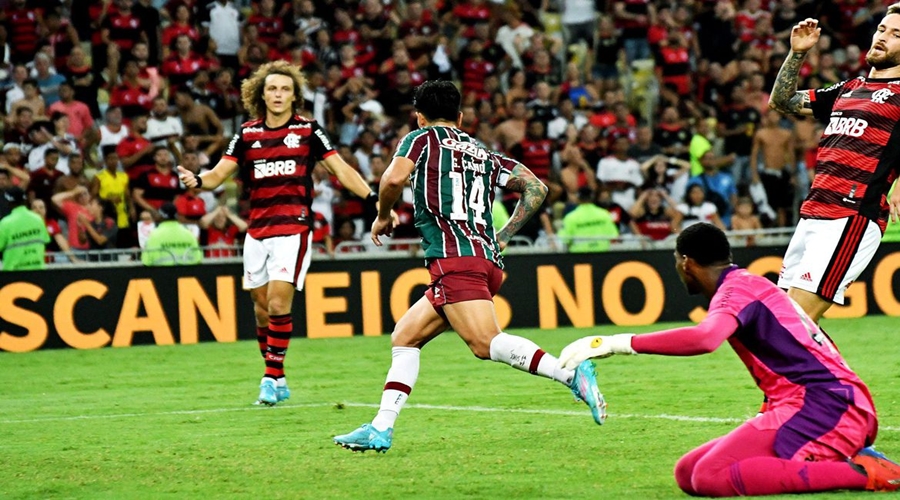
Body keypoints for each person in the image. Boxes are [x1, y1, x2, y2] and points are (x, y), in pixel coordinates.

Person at [333, 80, 605, 454]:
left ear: (419, 117)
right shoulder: (483, 152)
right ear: (460, 117)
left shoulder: (421, 139)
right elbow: (536, 188)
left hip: (455, 261)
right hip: (483, 258)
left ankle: (571, 373)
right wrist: (505, 233)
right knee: (405, 337)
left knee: (484, 343)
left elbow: (394, 177)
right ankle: (381, 427)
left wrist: (382, 215)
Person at [557, 223, 900, 496]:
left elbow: (706, 339)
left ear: (685, 262)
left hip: (827, 406)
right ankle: (849, 457)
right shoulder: (743, 284)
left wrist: (616, 343)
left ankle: (866, 473)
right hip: (820, 401)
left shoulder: (737, 291)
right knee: (687, 473)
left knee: (709, 476)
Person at [177, 60, 377, 406]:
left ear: (295, 95)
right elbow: (218, 174)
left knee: (278, 301)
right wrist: (197, 181)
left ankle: (269, 378)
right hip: (257, 231)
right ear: (261, 94)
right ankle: (279, 376)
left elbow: (340, 168)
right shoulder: (247, 134)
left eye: (285, 89)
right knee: (261, 308)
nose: (278, 94)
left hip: (293, 228)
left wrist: (372, 198)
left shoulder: (308, 131)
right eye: (272, 88)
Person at [768, 11, 900, 323]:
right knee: (786, 321)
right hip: (813, 213)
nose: (882, 36)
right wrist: (797, 54)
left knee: (792, 324)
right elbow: (782, 101)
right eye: (882, 29)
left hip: (850, 215)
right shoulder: (848, 88)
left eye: (896, 34)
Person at [0, 187, 50, 271]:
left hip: (14, 273)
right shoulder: (38, 219)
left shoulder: (5, 223)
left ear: (9, 202)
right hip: (38, 271)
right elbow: (45, 240)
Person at [558, 186, 619, 252]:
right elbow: (614, 235)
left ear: (578, 198)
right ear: (592, 198)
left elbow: (564, 239)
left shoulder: (570, 217)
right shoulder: (604, 214)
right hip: (602, 255)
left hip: (579, 257)